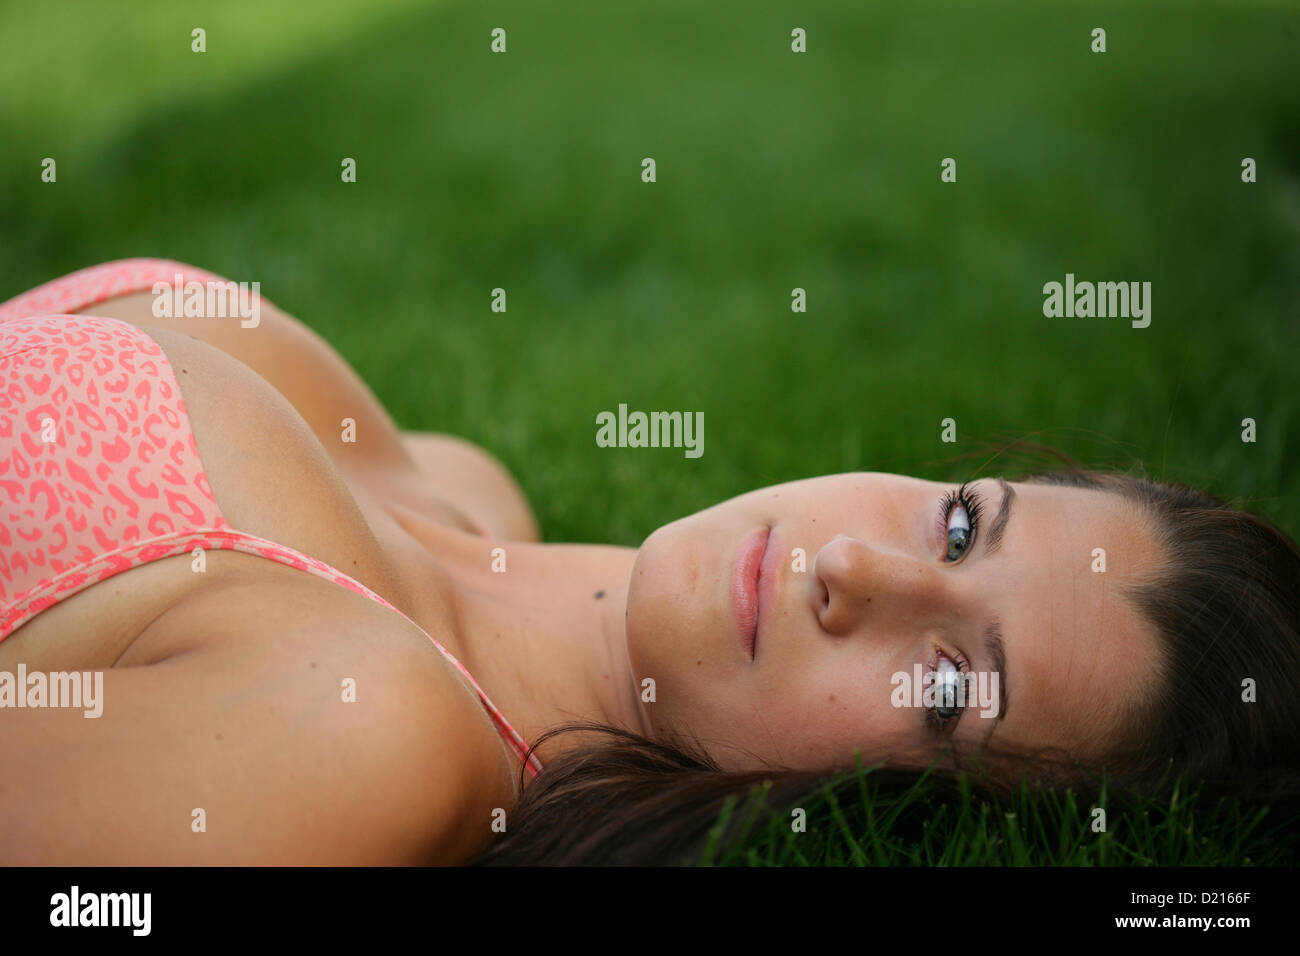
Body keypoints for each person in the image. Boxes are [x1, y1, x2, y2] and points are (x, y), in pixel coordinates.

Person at [2, 260, 1297, 865]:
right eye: (959, 526)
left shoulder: (369, 744)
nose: (852, 567)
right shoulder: (458, 488)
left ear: (907, 813)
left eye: (951, 685)